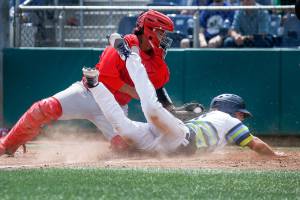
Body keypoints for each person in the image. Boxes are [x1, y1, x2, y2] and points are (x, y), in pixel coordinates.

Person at [0, 10, 198, 156]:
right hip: (89, 94)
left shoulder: (153, 56)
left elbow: (159, 81)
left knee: (126, 148)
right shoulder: (121, 44)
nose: (165, 38)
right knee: (43, 108)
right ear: (149, 30)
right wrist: (134, 91)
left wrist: (159, 59)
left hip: (115, 107)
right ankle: (7, 145)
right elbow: (103, 77)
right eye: (162, 32)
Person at [85, 34, 285, 156]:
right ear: (230, 109)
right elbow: (255, 144)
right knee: (148, 110)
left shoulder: (212, 119)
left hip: (167, 142)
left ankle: (95, 84)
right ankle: (129, 55)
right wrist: (275, 155)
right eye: (241, 112)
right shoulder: (227, 119)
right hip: (180, 139)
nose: (242, 117)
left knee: (125, 129)